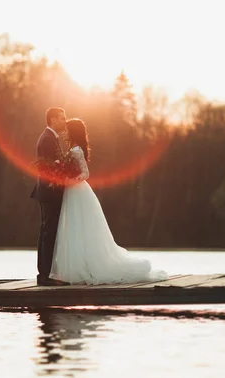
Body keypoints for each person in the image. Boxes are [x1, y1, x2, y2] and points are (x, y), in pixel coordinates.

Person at [49, 118, 166, 284]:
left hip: (78, 192)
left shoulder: (76, 151)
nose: (65, 132)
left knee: (81, 227)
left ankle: (87, 267)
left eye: (68, 129)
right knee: (73, 228)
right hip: (71, 192)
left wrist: (70, 180)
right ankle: (76, 267)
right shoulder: (71, 149)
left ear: (73, 131)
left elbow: (85, 173)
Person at [30, 107, 70, 286]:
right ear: (53, 120)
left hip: (49, 192)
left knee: (48, 232)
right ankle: (44, 276)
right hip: (49, 192)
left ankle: (46, 273)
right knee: (48, 232)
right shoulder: (47, 139)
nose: (65, 121)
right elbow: (47, 169)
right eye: (62, 118)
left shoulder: (50, 138)